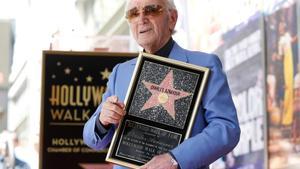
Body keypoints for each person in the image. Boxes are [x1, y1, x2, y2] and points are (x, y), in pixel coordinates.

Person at [83, 0, 240, 169]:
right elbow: (92, 139)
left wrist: (175, 159)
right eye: (134, 13)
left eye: (151, 10)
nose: (141, 18)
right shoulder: (120, 72)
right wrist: (102, 120)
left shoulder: (204, 64)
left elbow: (226, 128)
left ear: (172, 18)